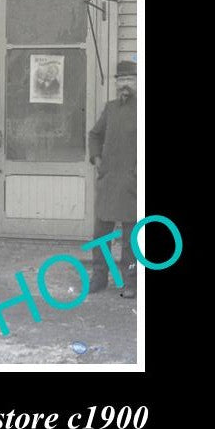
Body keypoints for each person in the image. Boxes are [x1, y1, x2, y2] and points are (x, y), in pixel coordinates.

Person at [87, 60, 138, 298]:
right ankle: (99, 278)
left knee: (131, 237)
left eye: (128, 79)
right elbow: (95, 134)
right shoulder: (110, 108)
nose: (123, 85)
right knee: (101, 233)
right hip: (109, 179)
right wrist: (96, 158)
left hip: (133, 181)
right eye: (120, 80)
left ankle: (131, 282)